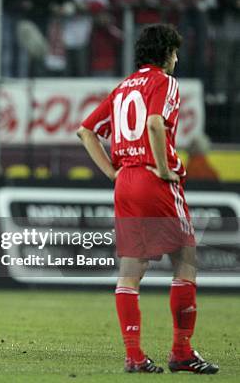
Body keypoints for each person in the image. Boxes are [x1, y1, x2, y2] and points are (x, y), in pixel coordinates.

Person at [77, 24, 218, 374]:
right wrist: (163, 168)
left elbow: (85, 131)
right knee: (185, 260)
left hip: (125, 181)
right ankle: (181, 351)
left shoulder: (123, 87)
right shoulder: (164, 82)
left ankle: (134, 356)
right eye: (174, 51)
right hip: (154, 179)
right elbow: (155, 123)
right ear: (165, 53)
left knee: (130, 272)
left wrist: (113, 172)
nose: (177, 59)